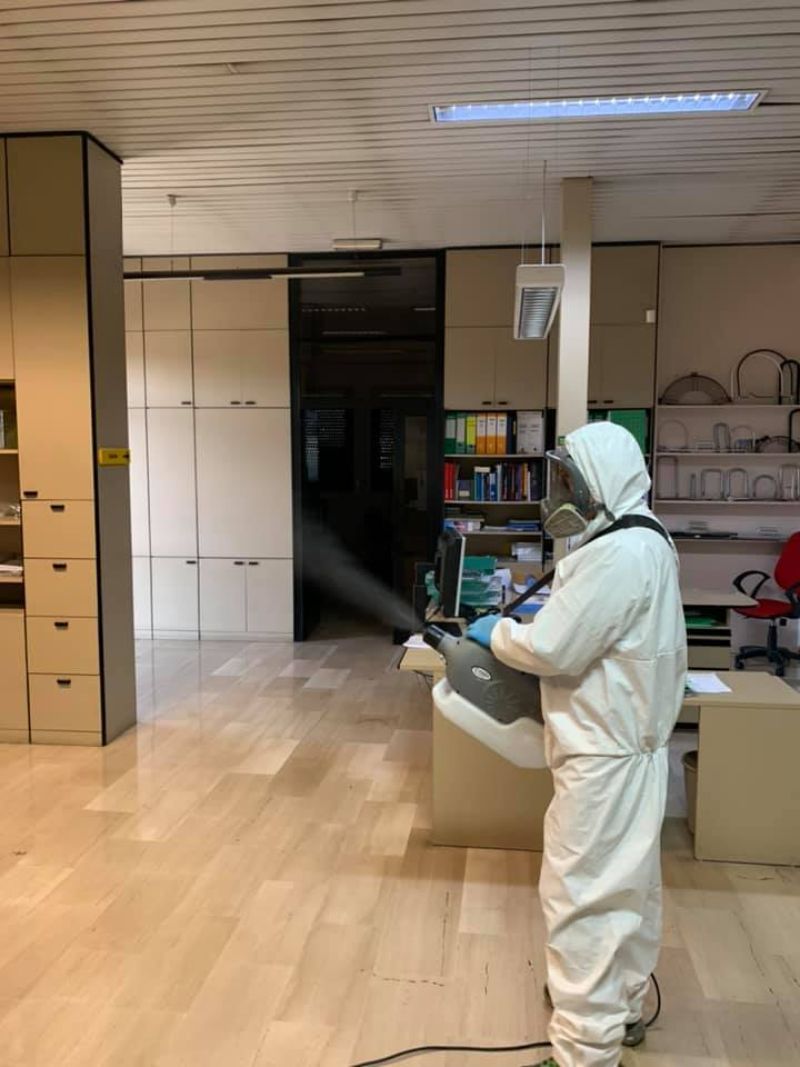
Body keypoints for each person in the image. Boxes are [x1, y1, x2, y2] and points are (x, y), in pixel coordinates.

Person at [466, 421, 687, 1067]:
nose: (560, 495)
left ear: (603, 482)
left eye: (570, 482)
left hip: (604, 756)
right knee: (629, 890)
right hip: (631, 747)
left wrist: (497, 632)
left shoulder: (617, 554)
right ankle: (617, 1008)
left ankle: (584, 1051)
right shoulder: (643, 536)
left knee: (582, 898)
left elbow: (554, 648)